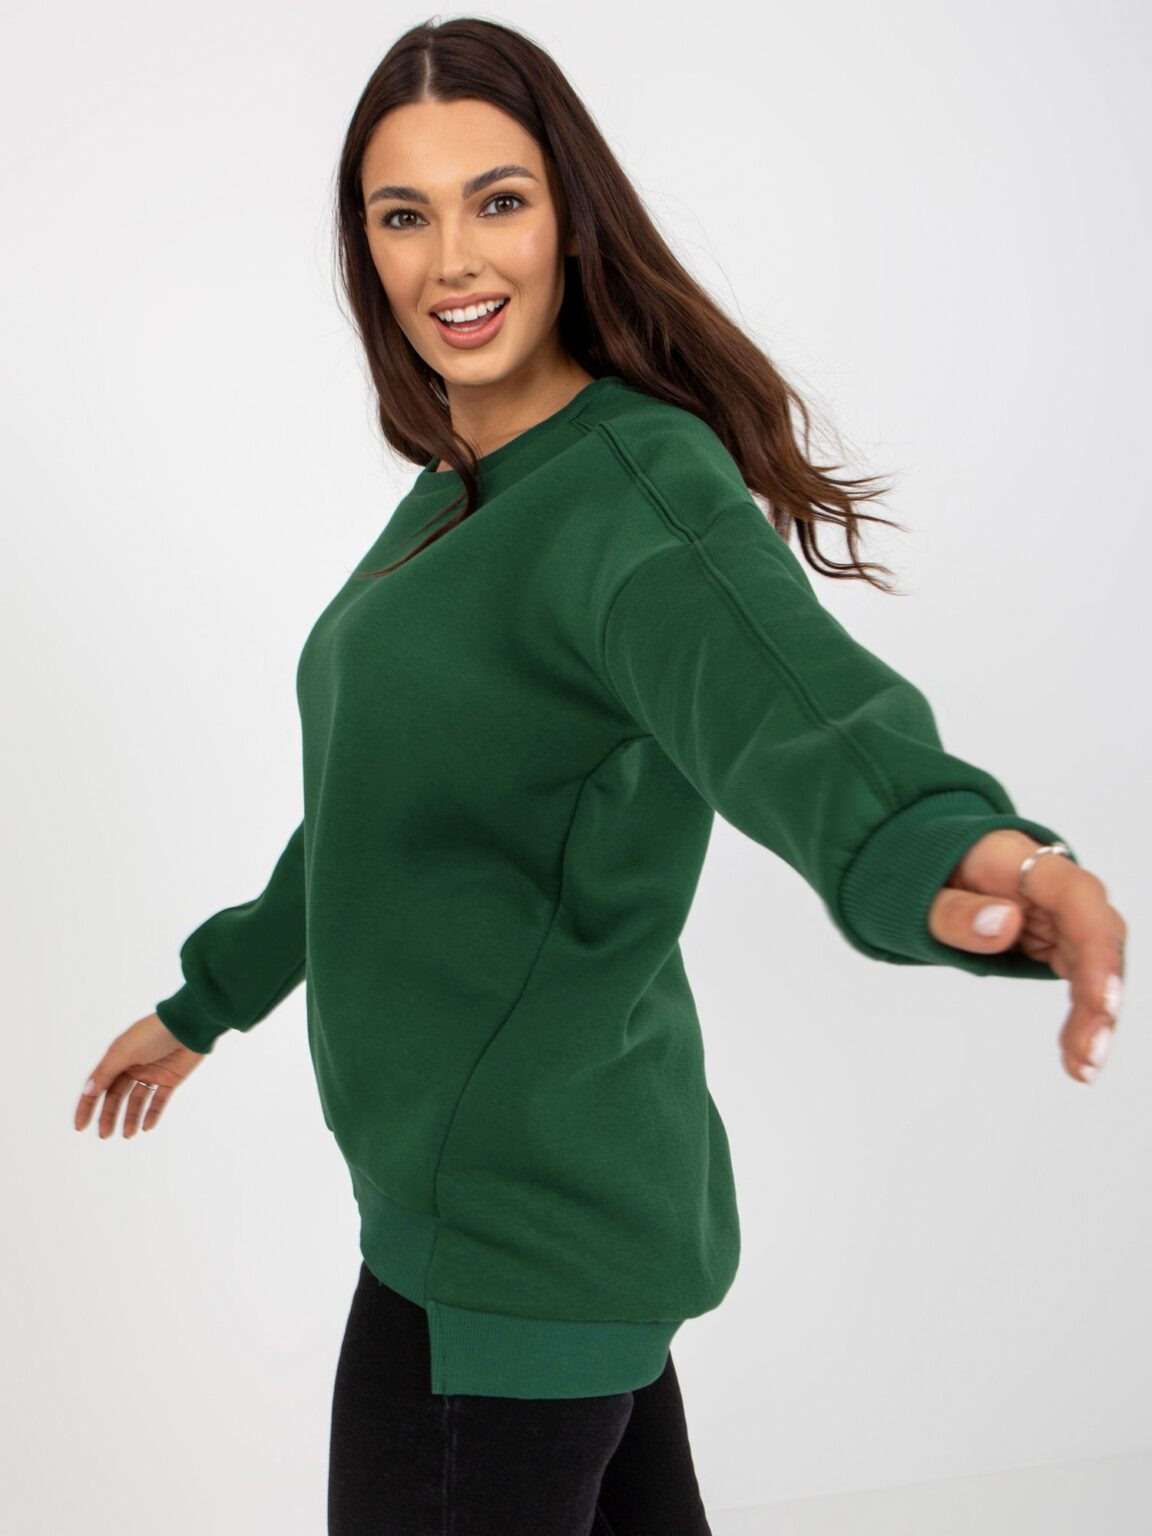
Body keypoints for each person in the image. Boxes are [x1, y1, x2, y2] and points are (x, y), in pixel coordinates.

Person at [71, 17, 1127, 1535]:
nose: (452, 260)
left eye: (497, 200)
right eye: (403, 215)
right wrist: (209, 1000)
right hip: (538, 1224)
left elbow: (791, 704)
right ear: (364, 250)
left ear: (571, 216)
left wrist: (960, 850)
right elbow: (383, 811)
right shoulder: (466, 487)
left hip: (504, 1252)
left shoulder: (633, 493)